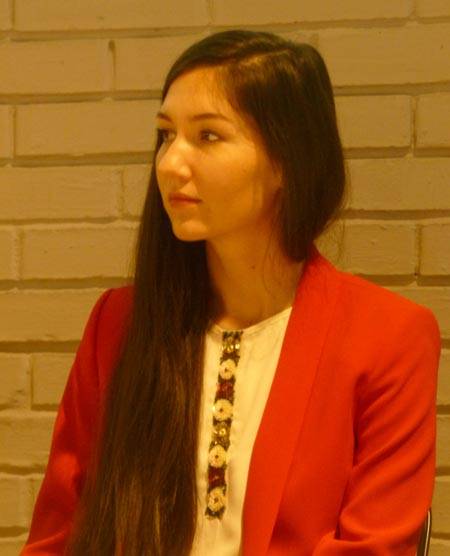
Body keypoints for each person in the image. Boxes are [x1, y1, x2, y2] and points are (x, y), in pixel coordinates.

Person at [21, 30, 441, 555]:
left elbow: (375, 546)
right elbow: (59, 535)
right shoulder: (118, 323)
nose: (170, 162)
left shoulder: (388, 337)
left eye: (208, 136)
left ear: (288, 160)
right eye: (165, 135)